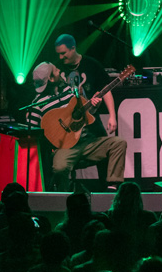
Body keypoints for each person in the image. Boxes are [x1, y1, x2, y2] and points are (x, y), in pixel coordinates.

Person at [27, 36, 128, 190]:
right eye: (56, 70)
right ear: (51, 79)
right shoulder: (38, 104)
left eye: (63, 54)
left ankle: (111, 189)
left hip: (86, 142)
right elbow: (33, 135)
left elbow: (84, 114)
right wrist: (52, 141)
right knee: (60, 168)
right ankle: (63, 199)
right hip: (65, 148)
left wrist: (93, 106)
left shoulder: (69, 90)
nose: (59, 68)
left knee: (118, 143)